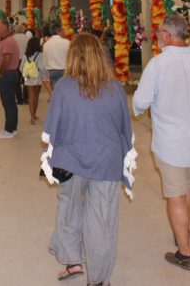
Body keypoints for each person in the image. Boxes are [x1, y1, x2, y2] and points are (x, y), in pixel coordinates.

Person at [132, 14, 190, 272]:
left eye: (160, 31)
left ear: (168, 35)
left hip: (171, 143)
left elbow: (139, 103)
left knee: (175, 194)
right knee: (189, 186)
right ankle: (182, 229)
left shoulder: (158, 64)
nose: (158, 36)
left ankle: (185, 253)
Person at [42, 33, 136, 286]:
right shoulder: (115, 88)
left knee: (69, 211)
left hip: (70, 161)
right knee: (102, 222)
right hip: (106, 162)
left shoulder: (63, 86)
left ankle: (73, 262)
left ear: (73, 56)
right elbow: (124, 129)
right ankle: (99, 280)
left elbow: (51, 129)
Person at [0, 19, 21, 139]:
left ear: (5, 27)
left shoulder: (7, 42)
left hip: (7, 74)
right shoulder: (7, 40)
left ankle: (9, 130)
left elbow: (7, 59)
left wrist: (0, 72)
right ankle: (13, 128)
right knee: (11, 103)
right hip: (11, 73)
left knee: (8, 103)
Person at [20, 36, 46, 124]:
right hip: (37, 77)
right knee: (36, 96)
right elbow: (42, 67)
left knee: (31, 97)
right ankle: (34, 114)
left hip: (28, 77)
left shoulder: (25, 54)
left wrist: (25, 75)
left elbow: (21, 68)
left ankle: (32, 117)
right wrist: (45, 75)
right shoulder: (40, 54)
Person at [42, 22, 70, 89]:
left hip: (52, 71)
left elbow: (45, 60)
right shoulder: (67, 42)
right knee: (65, 90)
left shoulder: (46, 44)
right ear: (58, 31)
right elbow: (71, 57)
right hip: (65, 70)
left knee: (55, 90)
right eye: (62, 30)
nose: (64, 31)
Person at [13, 23, 31, 104]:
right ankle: (26, 98)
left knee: (16, 81)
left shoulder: (13, 38)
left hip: (16, 61)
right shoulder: (27, 38)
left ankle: (19, 98)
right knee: (26, 80)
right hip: (25, 61)